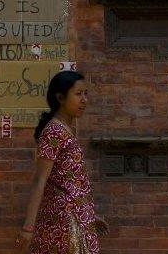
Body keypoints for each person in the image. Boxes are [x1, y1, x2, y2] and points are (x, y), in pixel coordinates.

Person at [15, 70, 109, 253]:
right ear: (60, 98)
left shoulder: (65, 130)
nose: (84, 100)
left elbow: (71, 181)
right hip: (63, 223)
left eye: (86, 94)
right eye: (78, 94)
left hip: (76, 217)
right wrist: (28, 227)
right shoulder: (54, 132)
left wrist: (89, 214)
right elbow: (40, 181)